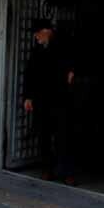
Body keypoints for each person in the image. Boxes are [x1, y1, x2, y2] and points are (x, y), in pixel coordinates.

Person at [22, 18, 75, 184]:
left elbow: (72, 70)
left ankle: (67, 173)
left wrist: (71, 73)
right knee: (43, 136)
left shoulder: (65, 47)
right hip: (41, 101)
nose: (36, 37)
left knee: (63, 137)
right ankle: (47, 169)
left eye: (38, 33)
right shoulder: (37, 50)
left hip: (60, 100)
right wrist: (28, 97)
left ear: (46, 31)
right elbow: (30, 73)